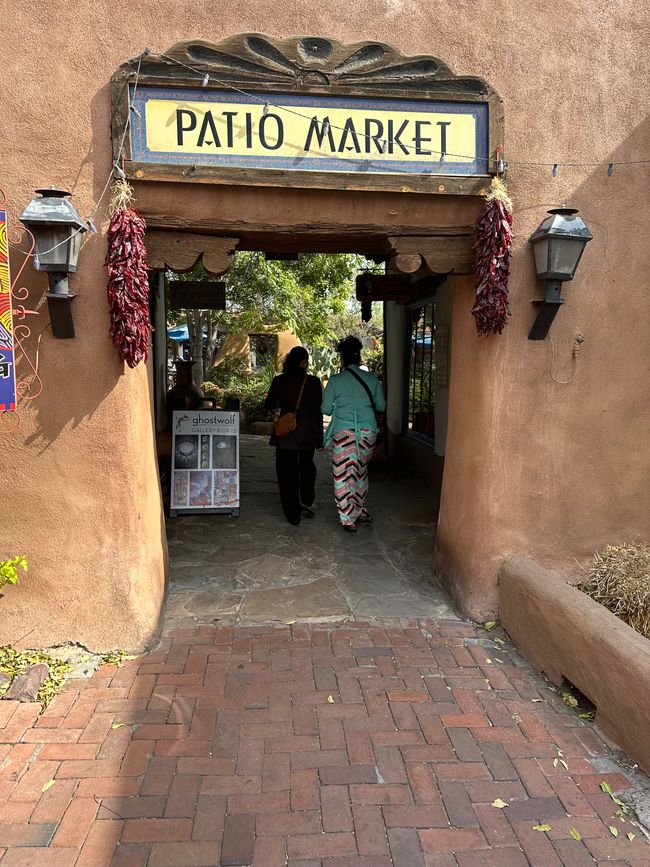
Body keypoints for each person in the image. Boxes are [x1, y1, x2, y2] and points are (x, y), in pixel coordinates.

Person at [321, 336, 386, 532]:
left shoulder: (335, 380)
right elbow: (381, 406)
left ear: (342, 358)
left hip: (343, 434)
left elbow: (325, 409)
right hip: (367, 434)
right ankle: (360, 509)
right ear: (359, 358)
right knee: (360, 472)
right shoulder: (372, 379)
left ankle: (347, 517)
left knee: (342, 475)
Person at [265, 346, 323, 526]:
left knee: (286, 474)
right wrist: (319, 438)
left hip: (286, 434)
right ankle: (307, 496)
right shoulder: (313, 382)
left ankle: (292, 513)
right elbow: (317, 412)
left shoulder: (279, 381)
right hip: (307, 433)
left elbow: (269, 404)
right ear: (304, 362)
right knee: (306, 467)